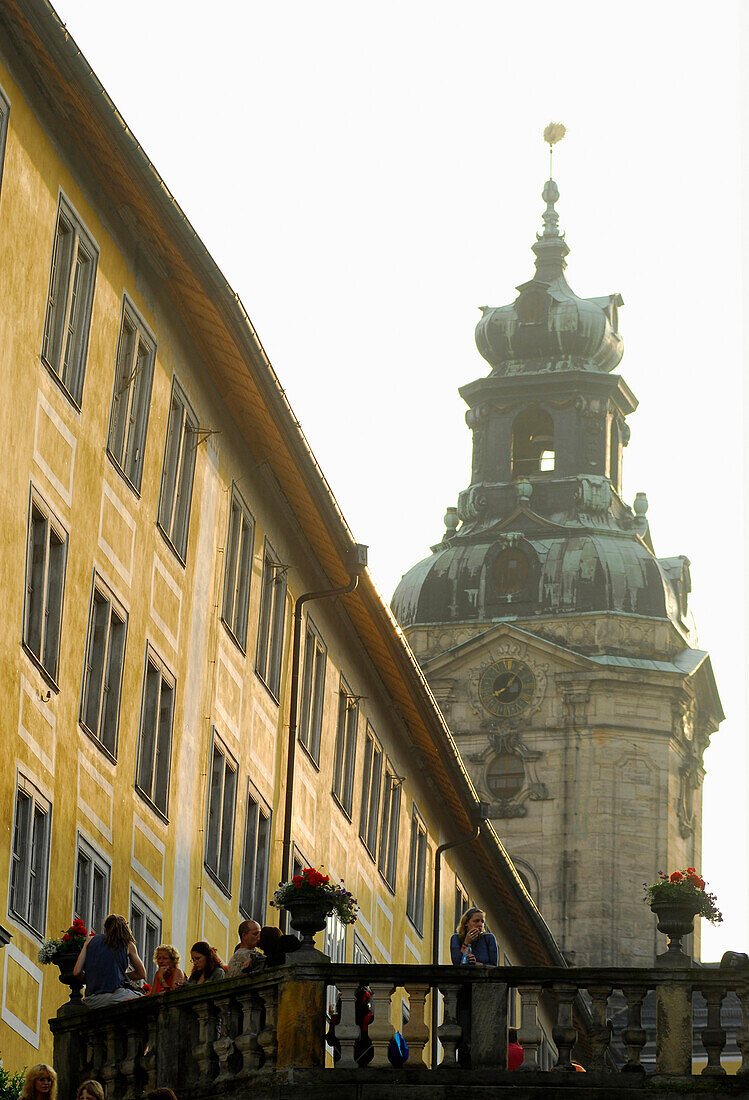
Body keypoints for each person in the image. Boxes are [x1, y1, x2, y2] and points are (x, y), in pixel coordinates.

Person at [450, 907, 498, 1067]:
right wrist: (467, 943)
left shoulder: (489, 939)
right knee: (464, 1030)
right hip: (464, 991)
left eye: (482, 921)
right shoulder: (456, 939)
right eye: (476, 921)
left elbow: (494, 965)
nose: (479, 925)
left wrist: (477, 964)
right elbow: (457, 962)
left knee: (481, 1030)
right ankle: (464, 1063)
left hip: (484, 991)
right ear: (467, 924)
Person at [73, 914, 147, 1009]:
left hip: (91, 999)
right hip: (115, 995)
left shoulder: (90, 940)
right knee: (145, 1000)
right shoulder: (128, 945)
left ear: (105, 928)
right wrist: (120, 976)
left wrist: (91, 978)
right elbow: (141, 974)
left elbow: (76, 972)